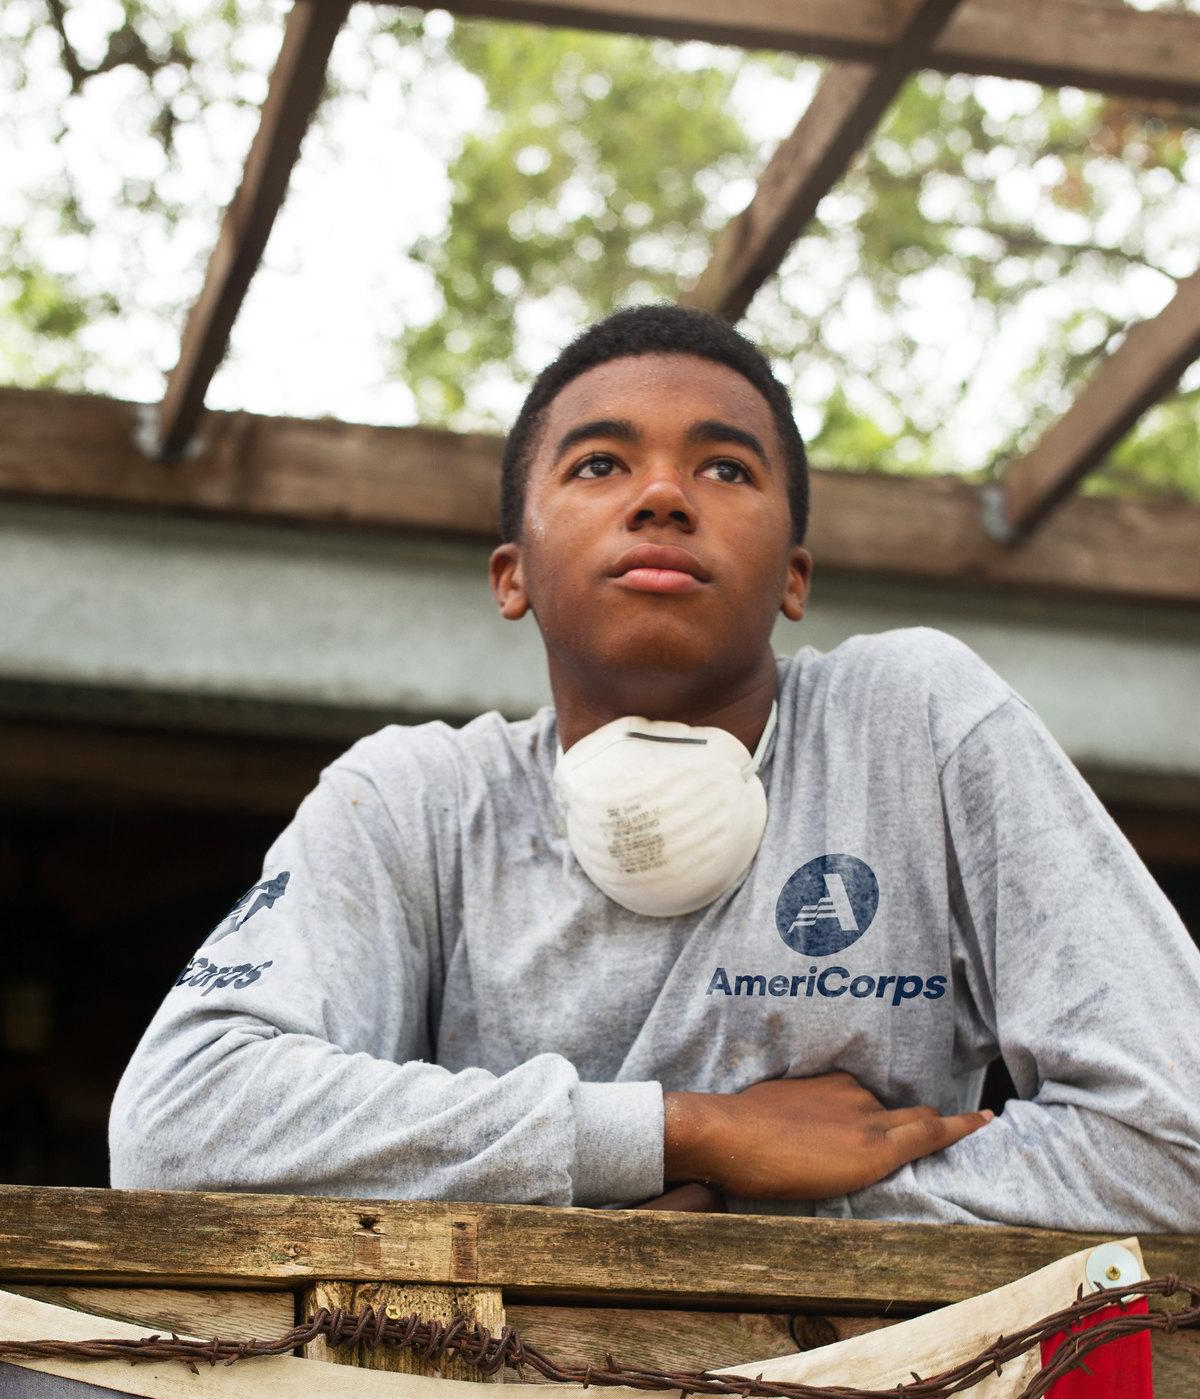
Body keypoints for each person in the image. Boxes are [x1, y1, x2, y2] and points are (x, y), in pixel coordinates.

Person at [109, 305, 1200, 1228]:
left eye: (726, 466)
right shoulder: (413, 799)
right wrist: (690, 1133)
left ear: (794, 577)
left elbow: (1174, 1138)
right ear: (512, 574)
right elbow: (179, 1127)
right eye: (600, 463)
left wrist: (751, 1218)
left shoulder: (915, 725)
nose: (664, 496)